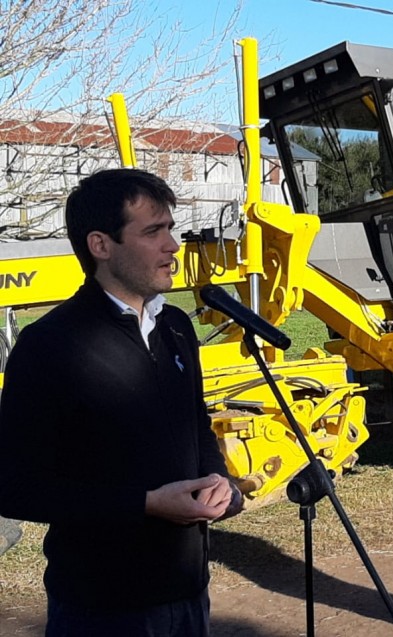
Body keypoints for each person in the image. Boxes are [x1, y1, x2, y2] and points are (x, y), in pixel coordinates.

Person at [0, 168, 242, 636]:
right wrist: (145, 503)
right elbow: (14, 486)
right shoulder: (48, 345)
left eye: (171, 228)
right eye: (154, 231)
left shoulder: (177, 328)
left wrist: (220, 482)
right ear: (101, 245)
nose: (173, 245)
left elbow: (196, 424)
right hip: (101, 609)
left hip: (189, 594)